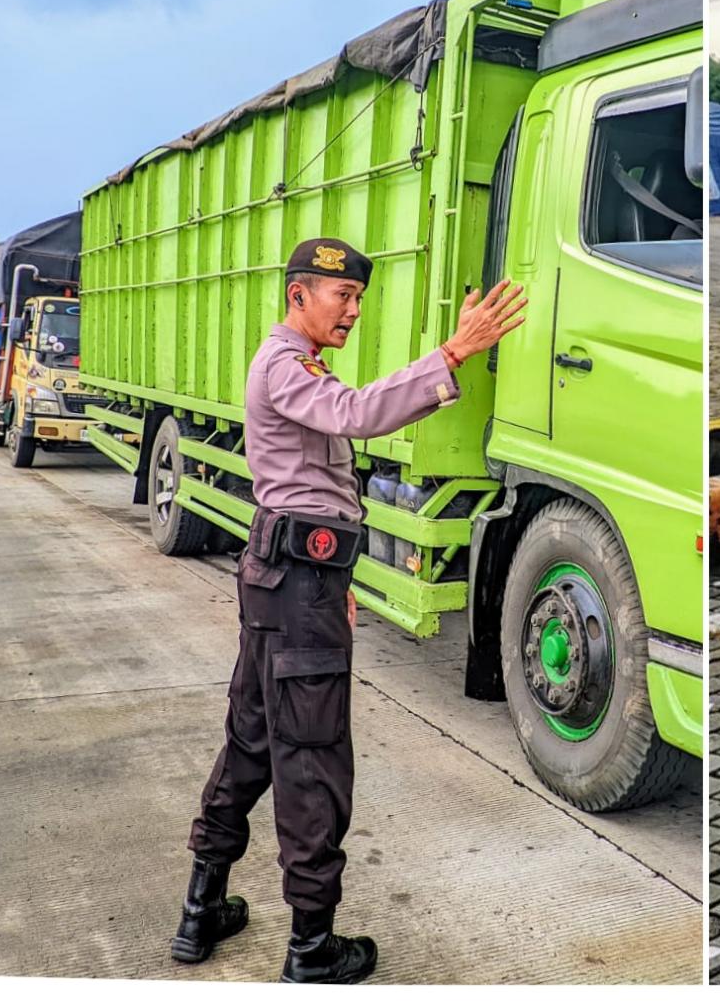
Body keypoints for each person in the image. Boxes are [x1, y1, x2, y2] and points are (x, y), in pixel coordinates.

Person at [172, 237, 526, 984]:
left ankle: (201, 910)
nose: (354, 311)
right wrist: (451, 356)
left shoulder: (294, 363)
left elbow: (316, 484)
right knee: (312, 756)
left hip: (296, 578)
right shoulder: (285, 364)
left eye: (360, 299)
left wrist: (340, 584)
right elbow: (358, 414)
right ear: (300, 294)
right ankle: (311, 947)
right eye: (343, 298)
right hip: (296, 584)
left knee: (255, 737)